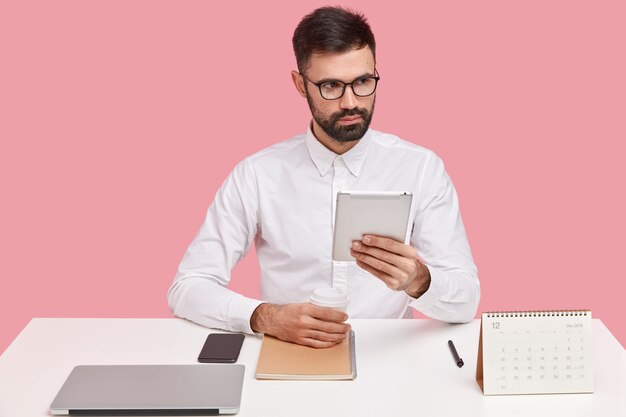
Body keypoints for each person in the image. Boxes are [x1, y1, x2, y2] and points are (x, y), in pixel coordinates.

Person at [168, 6, 480, 348]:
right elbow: (188, 287)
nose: (350, 102)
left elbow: (466, 300)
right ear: (300, 84)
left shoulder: (421, 168)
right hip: (288, 355)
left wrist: (419, 281)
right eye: (331, 85)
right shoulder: (258, 175)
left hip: (390, 365)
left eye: (362, 82)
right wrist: (266, 317)